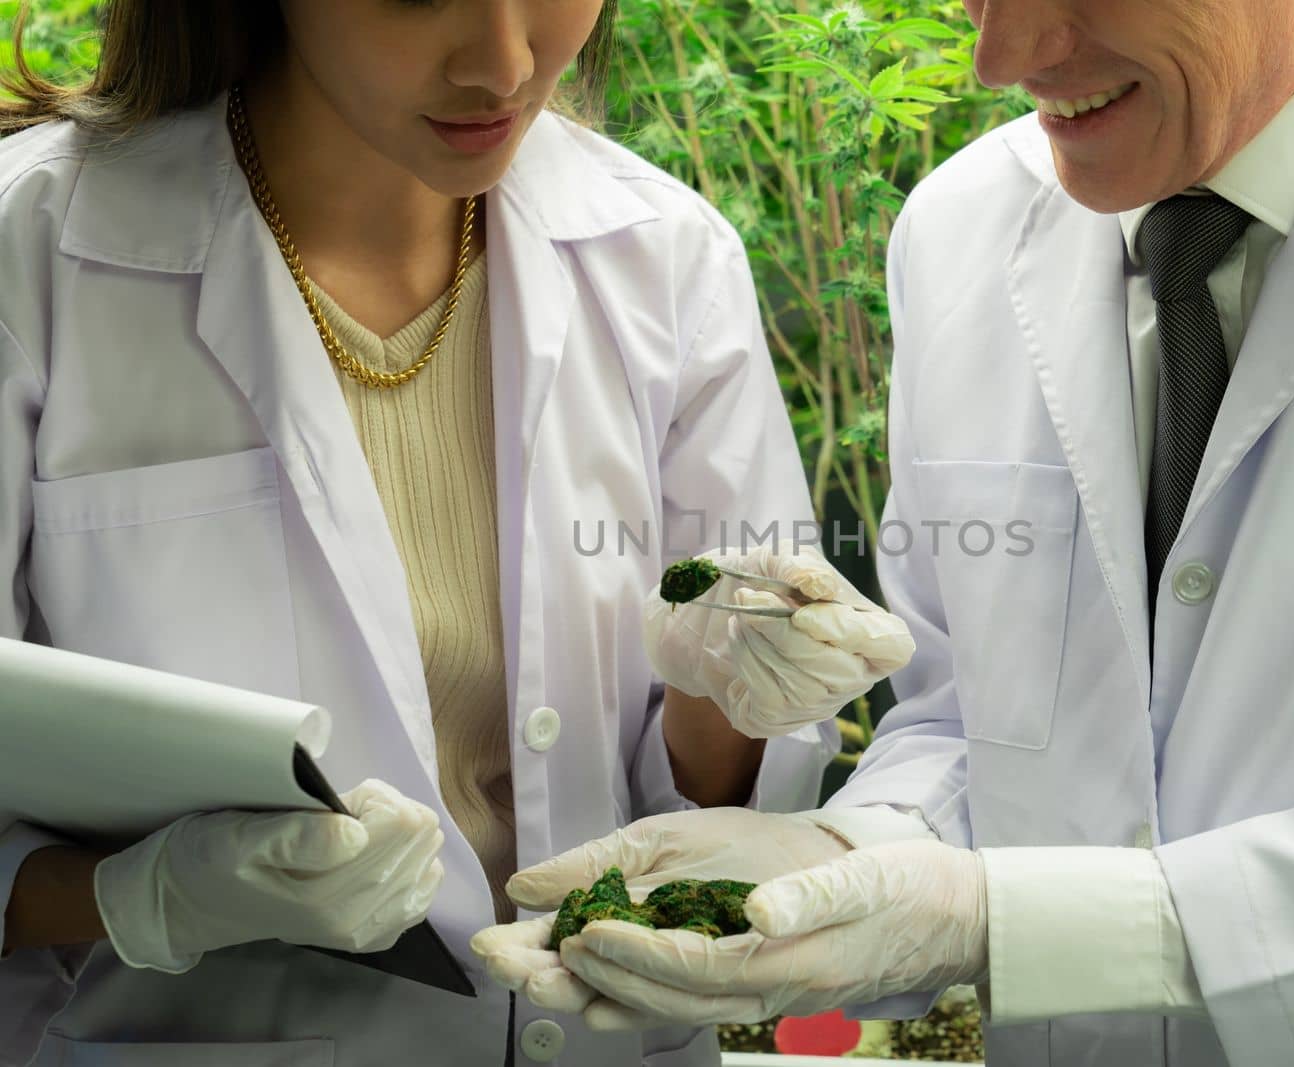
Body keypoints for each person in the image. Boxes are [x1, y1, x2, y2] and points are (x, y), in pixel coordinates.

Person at [487, 0, 1294, 1063]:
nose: (1002, 57)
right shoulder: (959, 228)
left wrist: (992, 918)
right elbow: (961, 723)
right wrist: (838, 860)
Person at [0, 2, 914, 1065]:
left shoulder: (663, 257)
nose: (504, 63)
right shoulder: (38, 252)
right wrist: (142, 897)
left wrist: (730, 682)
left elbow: (714, 801)